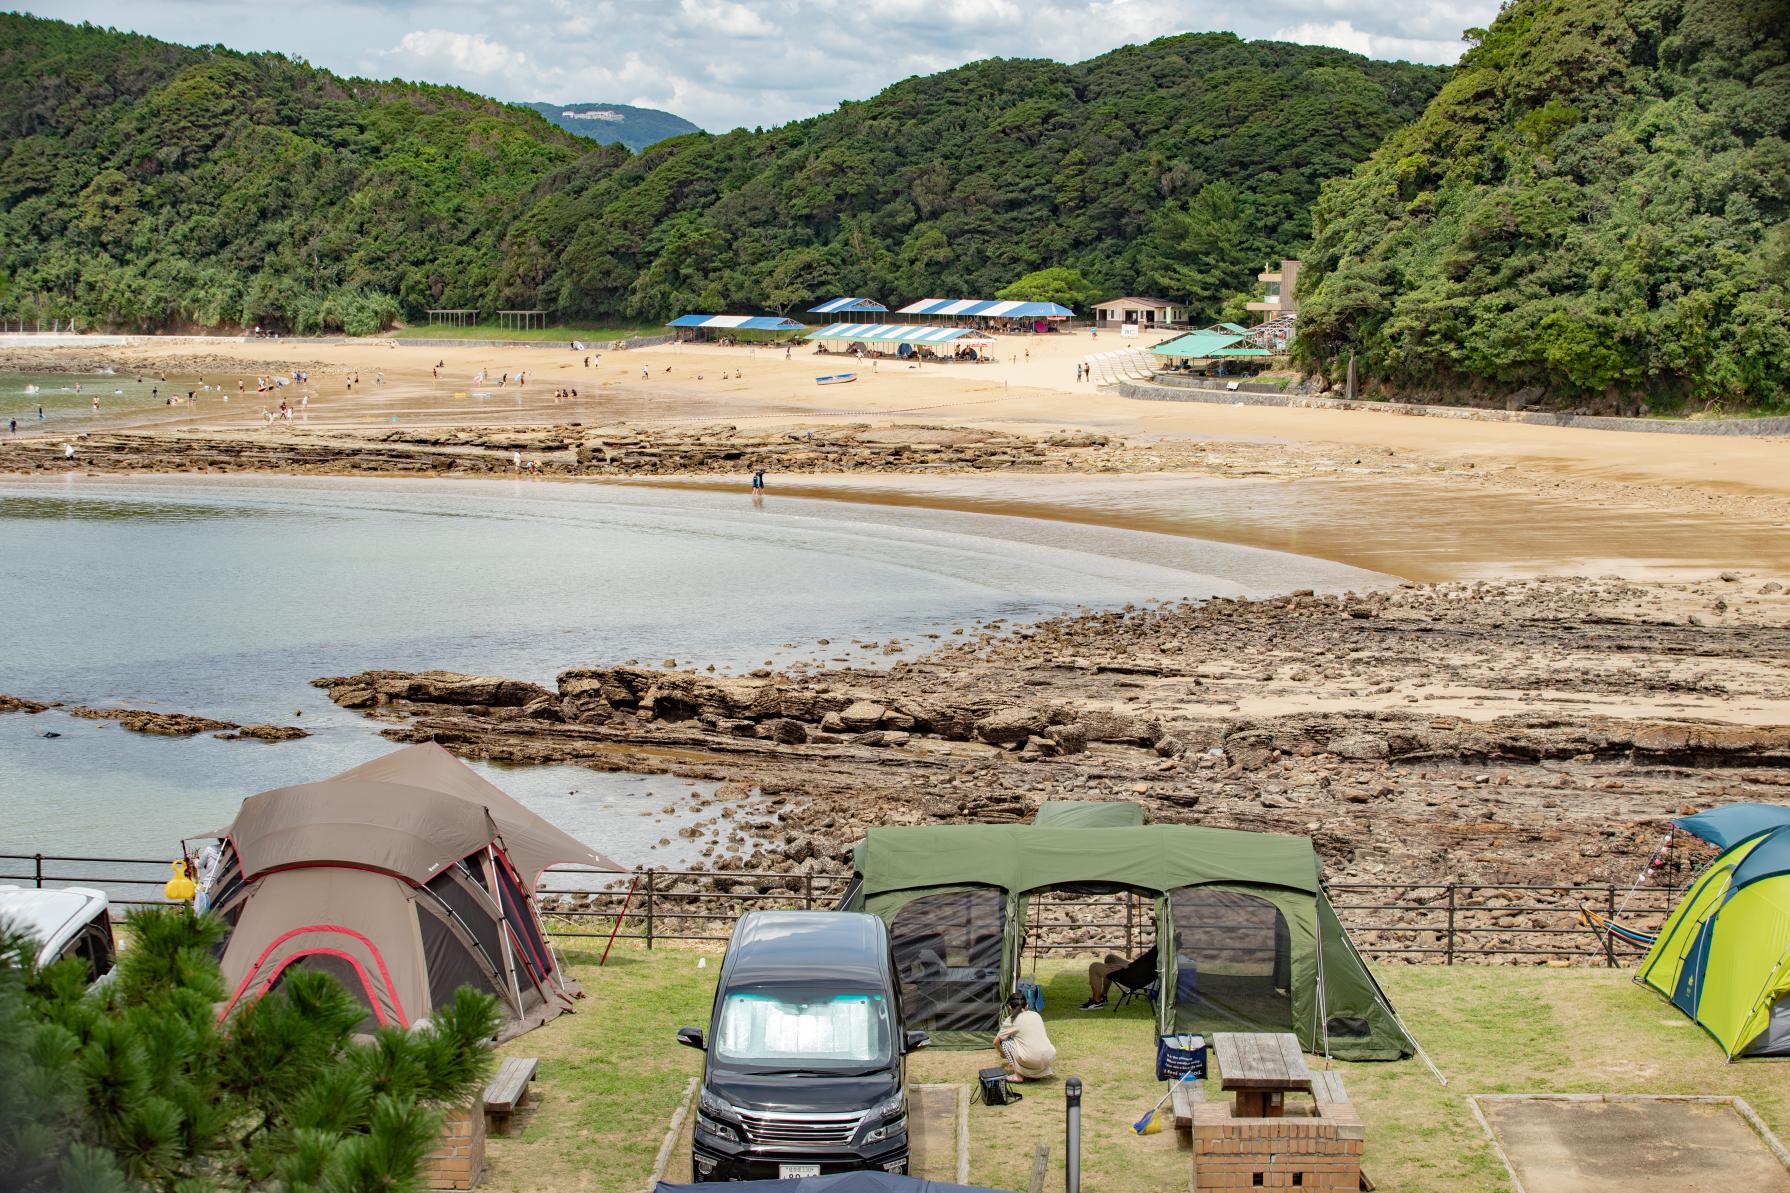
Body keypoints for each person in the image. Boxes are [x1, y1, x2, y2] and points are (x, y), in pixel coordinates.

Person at [994, 992, 1056, 1083]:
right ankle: (1035, 1074)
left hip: (1031, 1058)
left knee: (1005, 1042)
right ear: (1026, 1005)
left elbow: (996, 1042)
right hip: (1049, 1056)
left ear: (1010, 1007)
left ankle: (1018, 1076)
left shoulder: (1011, 1020)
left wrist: (1002, 1052)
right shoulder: (1036, 1015)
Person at [1082, 945, 1155, 1010]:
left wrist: (1123, 968)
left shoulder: (1161, 948)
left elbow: (1145, 964)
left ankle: (1096, 1001)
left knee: (1094, 966)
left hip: (1137, 977)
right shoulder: (1162, 948)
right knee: (1110, 958)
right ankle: (1103, 996)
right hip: (1140, 971)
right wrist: (1127, 966)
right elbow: (1144, 963)